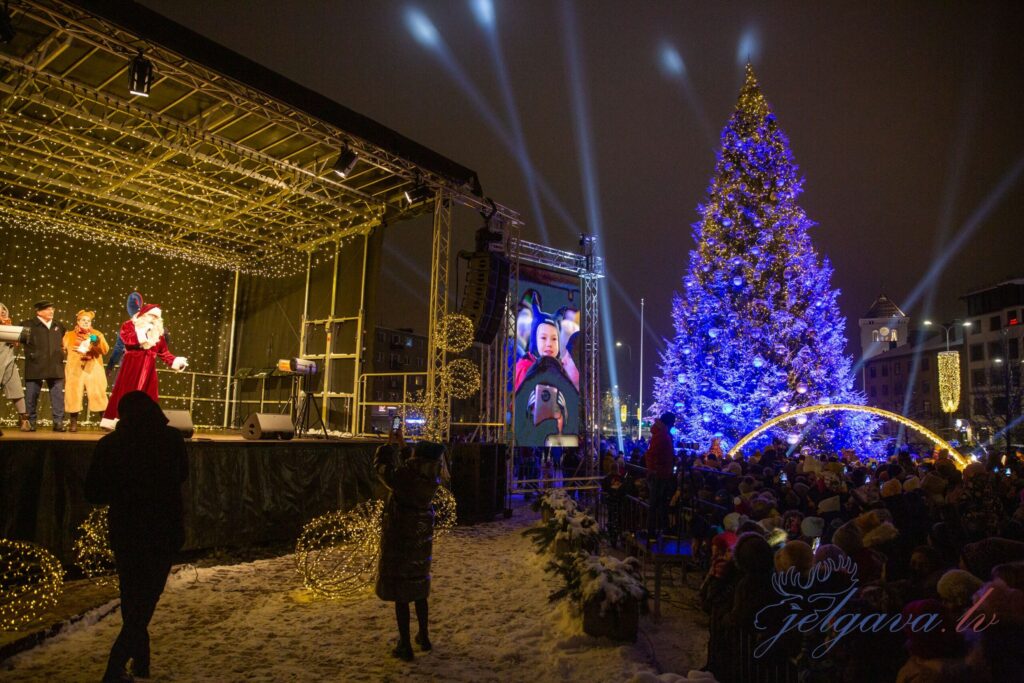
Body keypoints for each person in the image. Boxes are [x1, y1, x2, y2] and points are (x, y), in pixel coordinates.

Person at [85, 391, 188, 682]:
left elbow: (93, 492)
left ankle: (136, 663)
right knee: (145, 600)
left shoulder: (110, 445)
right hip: (164, 529)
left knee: (133, 598)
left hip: (126, 530)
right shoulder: (172, 440)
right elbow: (182, 475)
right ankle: (119, 665)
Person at [374, 428, 445, 661]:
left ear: (419, 457)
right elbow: (410, 470)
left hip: (402, 538)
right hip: (420, 542)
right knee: (419, 589)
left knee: (401, 593)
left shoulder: (407, 477)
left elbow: (385, 472)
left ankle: (404, 644)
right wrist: (403, 446)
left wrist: (386, 448)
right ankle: (423, 636)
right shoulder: (430, 475)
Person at [101, 304, 188, 430]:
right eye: (151, 315)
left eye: (156, 317)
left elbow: (163, 352)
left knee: (148, 397)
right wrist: (142, 334)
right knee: (128, 394)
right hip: (132, 365)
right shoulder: (130, 325)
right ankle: (122, 421)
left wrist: (175, 361)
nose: (153, 319)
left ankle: (145, 424)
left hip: (149, 369)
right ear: (143, 314)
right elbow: (127, 340)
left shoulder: (158, 332)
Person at [20, 300, 67, 431]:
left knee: (57, 396)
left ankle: (58, 422)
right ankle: (31, 422)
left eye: (52, 309)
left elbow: (64, 340)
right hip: (35, 365)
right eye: (47, 309)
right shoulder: (27, 325)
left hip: (55, 365)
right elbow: (17, 341)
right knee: (31, 396)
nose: (51, 311)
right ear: (39, 311)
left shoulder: (58, 325)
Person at [63, 310, 110, 432]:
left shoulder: (97, 334)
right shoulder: (69, 335)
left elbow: (105, 350)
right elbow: (62, 348)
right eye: (83, 320)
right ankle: (73, 423)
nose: (86, 322)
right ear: (78, 321)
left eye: (88, 321)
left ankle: (104, 422)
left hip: (93, 368)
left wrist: (97, 342)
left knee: (98, 394)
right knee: (73, 394)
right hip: (75, 368)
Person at [645, 412, 677, 541]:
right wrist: (655, 469)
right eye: (673, 422)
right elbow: (652, 454)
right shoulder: (663, 435)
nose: (674, 424)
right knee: (656, 503)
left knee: (661, 502)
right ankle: (653, 531)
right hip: (660, 473)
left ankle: (661, 528)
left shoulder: (661, 433)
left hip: (661, 472)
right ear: (669, 422)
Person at [0, 303, 32, 432]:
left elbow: (17, 341)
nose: (2, 312)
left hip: (9, 362)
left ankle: (24, 420)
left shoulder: (9, 326)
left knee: (16, 389)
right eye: (0, 310)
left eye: (4, 310)